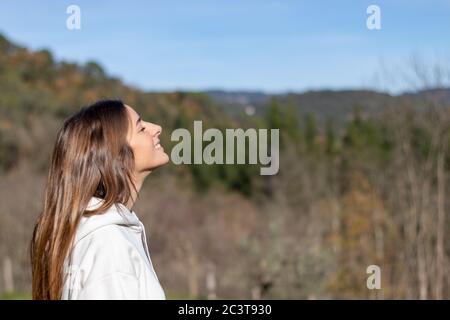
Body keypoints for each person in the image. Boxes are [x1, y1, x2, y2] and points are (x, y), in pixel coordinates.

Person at [30, 99, 169, 299]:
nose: (157, 128)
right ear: (116, 155)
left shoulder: (95, 235)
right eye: (140, 128)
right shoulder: (109, 245)